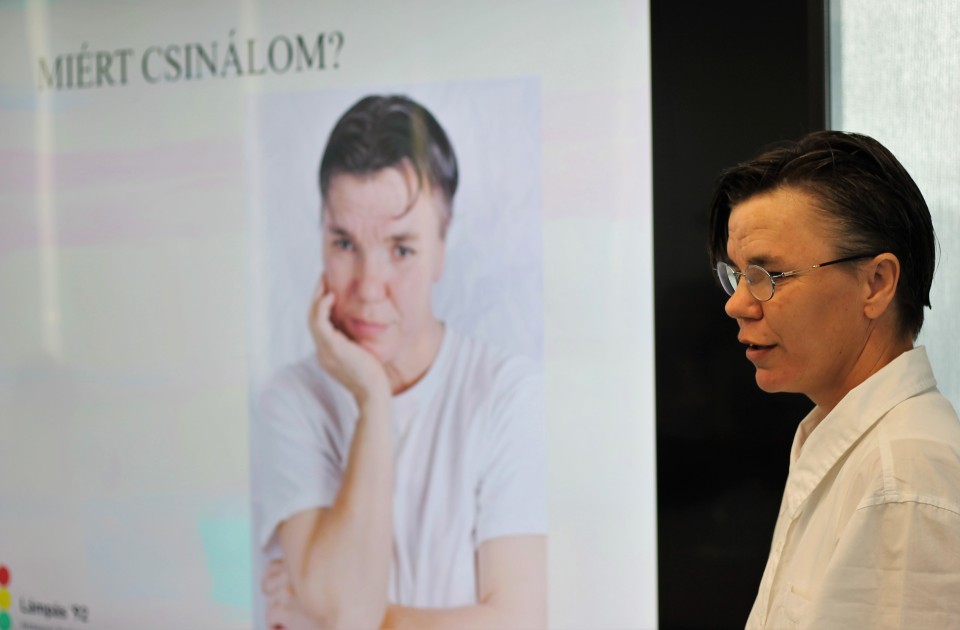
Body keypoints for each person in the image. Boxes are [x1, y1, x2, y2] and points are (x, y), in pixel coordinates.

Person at [250, 94, 547, 630]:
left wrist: (343, 619)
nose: (368, 288)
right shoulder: (289, 400)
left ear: (441, 249)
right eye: (344, 244)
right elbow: (345, 609)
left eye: (401, 249)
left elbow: (521, 622)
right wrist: (373, 398)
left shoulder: (507, 393)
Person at [708, 130, 960, 629]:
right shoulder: (846, 440)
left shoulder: (903, 474)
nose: (737, 304)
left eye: (767, 276)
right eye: (737, 275)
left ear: (876, 284)